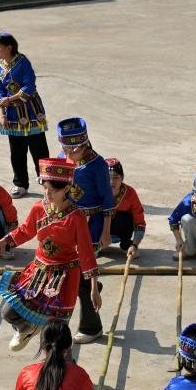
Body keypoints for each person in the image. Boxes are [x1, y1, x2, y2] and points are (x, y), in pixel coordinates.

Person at [0, 158, 101, 351]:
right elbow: (24, 231)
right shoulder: (39, 208)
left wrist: (93, 287)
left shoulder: (76, 217)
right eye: (45, 188)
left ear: (66, 189)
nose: (48, 194)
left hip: (65, 277)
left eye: (54, 190)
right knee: (8, 311)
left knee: (56, 333)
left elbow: (87, 252)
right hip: (37, 271)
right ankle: (26, 327)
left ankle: (64, 368)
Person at [58, 117, 114, 343]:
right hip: (68, 221)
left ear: (86, 143)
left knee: (84, 269)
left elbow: (107, 198)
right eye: (66, 148)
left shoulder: (97, 164)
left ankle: (91, 324)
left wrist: (106, 231)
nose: (70, 154)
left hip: (92, 223)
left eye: (76, 148)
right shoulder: (62, 159)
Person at [0, 32, 50, 198]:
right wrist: (2, 114)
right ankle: (20, 184)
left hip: (32, 111)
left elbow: (29, 86)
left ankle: (47, 181)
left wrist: (9, 99)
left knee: (39, 149)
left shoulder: (23, 62)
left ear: (8, 47)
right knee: (16, 151)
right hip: (12, 115)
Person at [106, 157, 146, 259]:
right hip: (99, 232)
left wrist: (135, 245)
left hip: (120, 229)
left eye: (115, 177)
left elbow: (139, 222)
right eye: (107, 177)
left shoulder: (130, 193)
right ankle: (96, 244)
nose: (111, 182)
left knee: (124, 218)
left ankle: (126, 244)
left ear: (122, 177)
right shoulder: (95, 192)